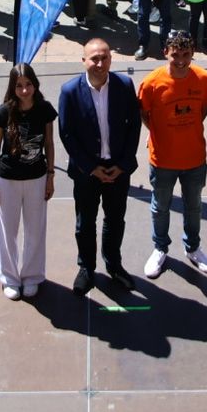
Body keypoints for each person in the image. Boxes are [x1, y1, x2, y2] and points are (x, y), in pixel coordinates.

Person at [58, 38, 142, 296]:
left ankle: (114, 265)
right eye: (94, 58)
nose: (99, 63)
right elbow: (67, 134)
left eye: (104, 58)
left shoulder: (124, 85)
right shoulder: (70, 91)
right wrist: (90, 167)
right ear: (84, 60)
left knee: (115, 220)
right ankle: (86, 268)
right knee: (85, 223)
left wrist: (123, 165)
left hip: (117, 169)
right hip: (87, 172)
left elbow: (133, 127)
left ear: (110, 60)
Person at [138, 30, 207, 279]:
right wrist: (160, 134)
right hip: (162, 159)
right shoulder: (151, 83)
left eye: (186, 54)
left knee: (193, 207)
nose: (181, 60)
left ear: (193, 53)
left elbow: (204, 109)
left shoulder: (204, 79)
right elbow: (145, 115)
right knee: (160, 207)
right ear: (166, 53)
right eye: (176, 55)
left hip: (194, 158)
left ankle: (192, 248)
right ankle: (160, 248)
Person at [0, 64, 57, 301]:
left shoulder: (45, 110)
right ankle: (9, 278)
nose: (24, 90)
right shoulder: (3, 112)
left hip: (36, 178)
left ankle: (32, 276)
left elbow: (49, 143)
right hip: (7, 179)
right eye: (19, 86)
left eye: (28, 84)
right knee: (7, 231)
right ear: (12, 87)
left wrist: (50, 176)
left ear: (35, 84)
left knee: (35, 228)